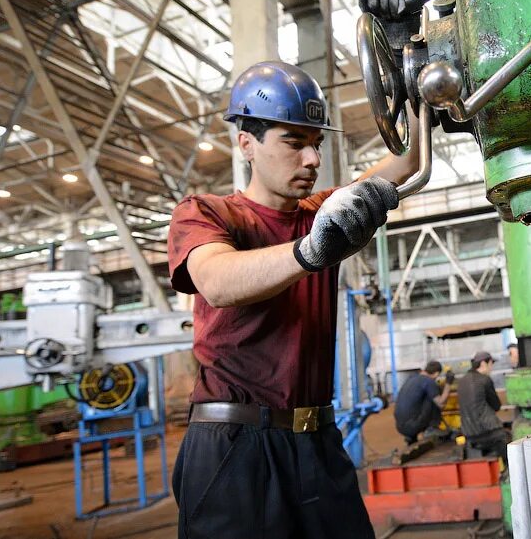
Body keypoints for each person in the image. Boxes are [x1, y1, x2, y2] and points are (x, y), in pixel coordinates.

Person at [167, 56, 418, 538]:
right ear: (247, 144)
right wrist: (308, 252)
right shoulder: (208, 212)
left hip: (318, 441)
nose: (313, 160)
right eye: (294, 142)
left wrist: (420, 92)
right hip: (234, 448)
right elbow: (218, 281)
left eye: (317, 144)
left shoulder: (321, 211)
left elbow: (407, 163)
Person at [457, 351, 510, 464]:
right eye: (491, 364)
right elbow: (496, 406)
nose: (491, 368)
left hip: (469, 434)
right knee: (506, 441)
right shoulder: (484, 380)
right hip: (488, 432)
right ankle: (508, 472)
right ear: (483, 363)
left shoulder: (462, 381)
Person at [393, 360, 454, 445]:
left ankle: (411, 437)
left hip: (400, 426)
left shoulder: (412, 378)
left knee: (424, 395)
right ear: (436, 373)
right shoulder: (428, 382)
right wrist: (448, 383)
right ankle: (432, 428)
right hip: (412, 426)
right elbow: (441, 404)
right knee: (434, 394)